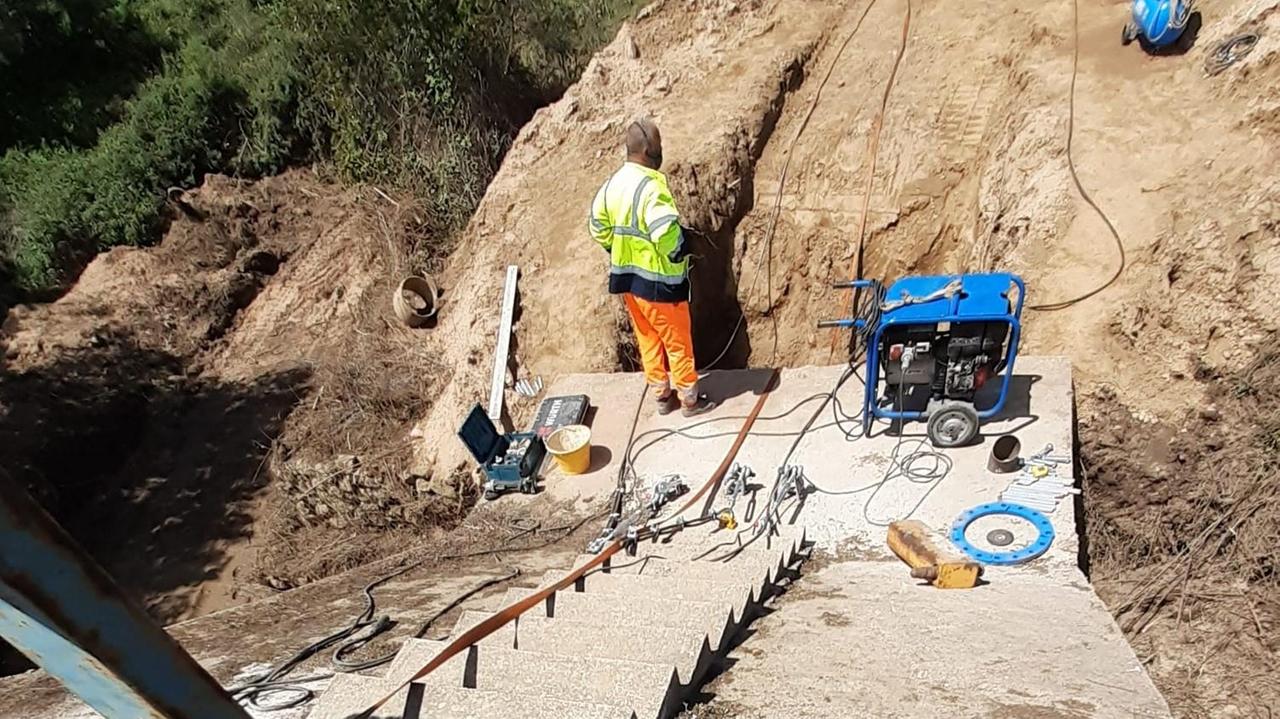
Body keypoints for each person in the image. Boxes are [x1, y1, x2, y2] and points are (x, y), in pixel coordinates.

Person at [589, 118, 715, 417]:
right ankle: (689, 400)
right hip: (660, 284)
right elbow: (664, 232)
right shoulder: (651, 187)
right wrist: (680, 249)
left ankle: (661, 394)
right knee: (677, 341)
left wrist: (617, 249)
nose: (661, 151)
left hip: (629, 283)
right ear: (647, 150)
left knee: (648, 338)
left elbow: (597, 227)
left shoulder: (612, 185)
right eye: (658, 146)